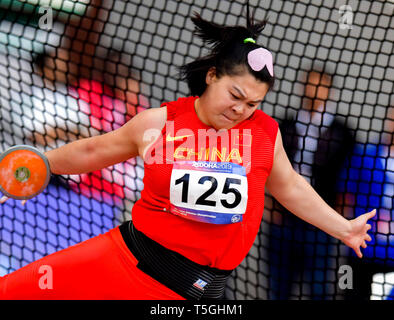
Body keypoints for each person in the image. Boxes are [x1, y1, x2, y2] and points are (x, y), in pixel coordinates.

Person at [0, 7, 375, 300]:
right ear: (212, 76)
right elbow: (96, 149)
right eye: (235, 96)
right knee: (14, 290)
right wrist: (43, 163)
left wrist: (343, 227)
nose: (242, 109)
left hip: (197, 293)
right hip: (126, 258)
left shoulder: (265, 133)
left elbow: (290, 186)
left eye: (254, 103)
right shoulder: (158, 122)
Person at [267, 68, 356, 299]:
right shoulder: (285, 126)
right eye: (309, 84)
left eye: (320, 85)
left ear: (330, 91)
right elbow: (269, 166)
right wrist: (271, 206)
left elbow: (348, 175)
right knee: (279, 287)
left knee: (318, 287)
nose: (314, 91)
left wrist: (339, 216)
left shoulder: (342, 132)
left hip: (321, 221)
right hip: (285, 220)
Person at [338, 106, 394, 300]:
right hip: (361, 251)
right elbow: (345, 195)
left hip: (392, 256)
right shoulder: (365, 155)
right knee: (351, 293)